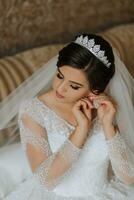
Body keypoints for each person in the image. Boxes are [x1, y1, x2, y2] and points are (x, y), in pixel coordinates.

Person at [4, 33, 134, 200]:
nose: (60, 88)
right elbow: (46, 180)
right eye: (59, 76)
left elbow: (128, 178)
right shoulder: (34, 110)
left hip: (106, 192)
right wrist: (81, 130)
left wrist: (109, 126)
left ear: (95, 89)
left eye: (73, 86)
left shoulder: (107, 108)